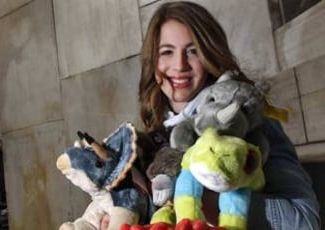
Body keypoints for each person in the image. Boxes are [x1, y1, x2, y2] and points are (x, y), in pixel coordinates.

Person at [103, 1, 321, 229]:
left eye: (192, 51)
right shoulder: (152, 139)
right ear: (153, 61)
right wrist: (127, 213)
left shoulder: (248, 121)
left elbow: (304, 221)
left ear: (210, 55)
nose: (179, 65)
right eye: (167, 52)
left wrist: (204, 200)